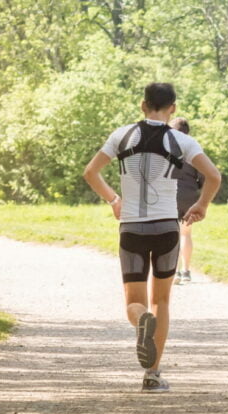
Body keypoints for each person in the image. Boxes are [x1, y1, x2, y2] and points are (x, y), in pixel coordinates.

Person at [83, 83, 221, 393]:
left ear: (143, 105)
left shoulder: (121, 136)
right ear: (172, 108)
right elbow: (214, 176)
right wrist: (201, 205)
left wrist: (113, 200)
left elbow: (90, 173)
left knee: (135, 303)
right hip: (166, 229)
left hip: (132, 227)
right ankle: (153, 374)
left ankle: (141, 320)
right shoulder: (182, 140)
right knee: (162, 301)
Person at [169, 117, 204, 285]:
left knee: (171, 233)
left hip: (169, 195)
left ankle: (173, 272)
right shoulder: (193, 148)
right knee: (186, 233)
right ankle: (186, 271)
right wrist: (197, 187)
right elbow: (204, 175)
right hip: (189, 196)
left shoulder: (165, 148)